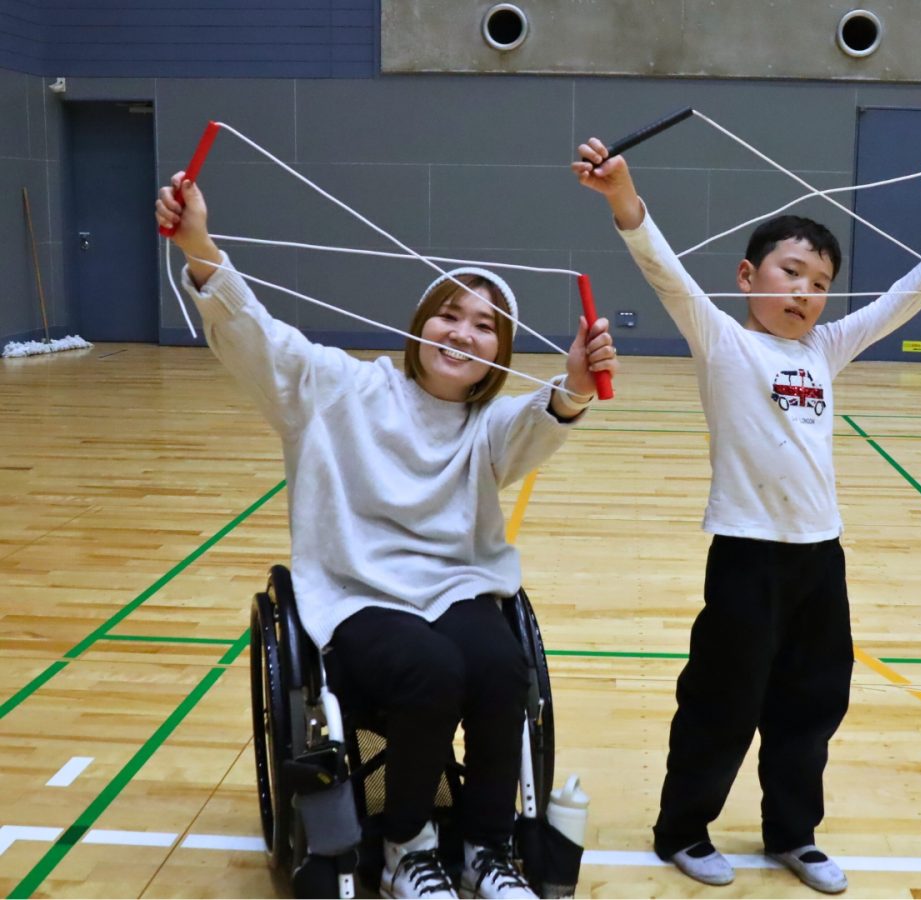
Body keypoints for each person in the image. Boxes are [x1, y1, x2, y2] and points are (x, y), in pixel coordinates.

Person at [156, 172, 619, 900]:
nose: (462, 332)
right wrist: (201, 248)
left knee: (500, 671)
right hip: (356, 593)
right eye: (449, 315)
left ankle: (487, 848)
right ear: (420, 323)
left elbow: (539, 420)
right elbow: (257, 339)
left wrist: (574, 387)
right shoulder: (339, 388)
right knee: (429, 671)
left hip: (455, 587)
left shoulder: (486, 425)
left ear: (499, 350)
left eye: (484, 324)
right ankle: (408, 844)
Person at [572, 137, 921, 894]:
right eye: (790, 273)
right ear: (747, 276)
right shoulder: (721, 343)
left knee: (812, 702)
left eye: (819, 282)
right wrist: (622, 196)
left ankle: (792, 834)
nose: (805, 292)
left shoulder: (825, 348)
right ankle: (681, 830)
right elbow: (661, 269)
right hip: (747, 555)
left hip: (820, 558)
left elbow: (901, 298)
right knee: (723, 701)